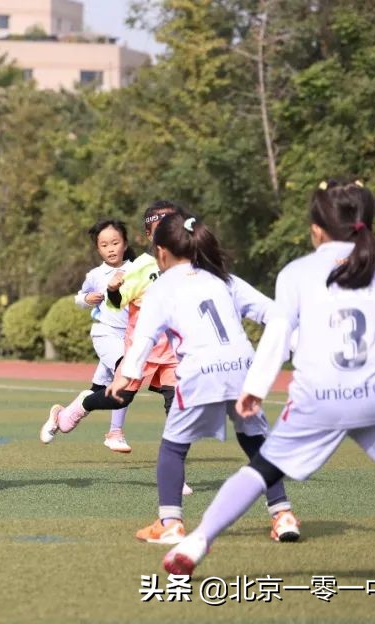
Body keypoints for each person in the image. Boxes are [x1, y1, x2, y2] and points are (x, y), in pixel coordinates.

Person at [163, 180, 375, 574]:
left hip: (319, 399)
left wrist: (255, 388)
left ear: (316, 229)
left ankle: (197, 541)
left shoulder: (296, 273)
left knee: (261, 469)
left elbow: (277, 336)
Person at [109, 212, 298, 545]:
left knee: (173, 448)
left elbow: (144, 337)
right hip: (243, 370)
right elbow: (275, 313)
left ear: (162, 252)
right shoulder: (223, 278)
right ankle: (282, 515)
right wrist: (294, 347)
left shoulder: (162, 287)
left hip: (200, 372)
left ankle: (169, 522)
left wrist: (127, 375)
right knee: (255, 441)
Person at [40, 201, 183, 443]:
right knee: (120, 396)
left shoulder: (189, 264)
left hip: (172, 355)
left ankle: (174, 476)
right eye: (160, 228)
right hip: (138, 348)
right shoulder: (140, 268)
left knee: (177, 412)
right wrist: (112, 289)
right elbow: (117, 302)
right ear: (149, 235)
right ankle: (84, 404)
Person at [73, 219, 135, 453]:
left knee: (98, 389)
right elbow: (79, 298)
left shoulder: (138, 270)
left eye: (115, 242)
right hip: (106, 333)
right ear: (98, 249)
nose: (110, 248)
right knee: (125, 373)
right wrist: (86, 300)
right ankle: (115, 433)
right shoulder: (96, 274)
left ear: (125, 244)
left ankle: (62, 417)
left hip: (130, 338)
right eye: (104, 245)